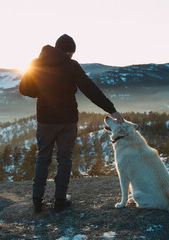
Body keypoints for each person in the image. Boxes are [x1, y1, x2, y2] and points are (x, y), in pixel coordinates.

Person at [19, 34, 124, 212]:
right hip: (67, 120)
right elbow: (90, 89)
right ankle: (60, 199)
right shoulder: (71, 65)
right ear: (68, 52)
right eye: (72, 53)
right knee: (64, 159)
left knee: (43, 157)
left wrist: (42, 89)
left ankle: (37, 199)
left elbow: (24, 89)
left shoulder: (36, 63)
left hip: (45, 120)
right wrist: (111, 109)